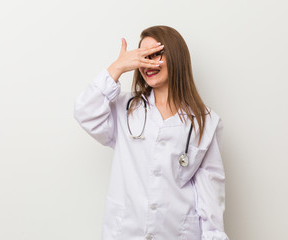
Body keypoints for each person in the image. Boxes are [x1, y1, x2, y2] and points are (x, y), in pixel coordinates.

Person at [74, 25, 229, 240]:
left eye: (156, 54)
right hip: (126, 232)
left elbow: (210, 191)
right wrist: (117, 68)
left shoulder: (205, 122)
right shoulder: (125, 108)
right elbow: (85, 112)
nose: (148, 63)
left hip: (178, 232)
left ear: (176, 57)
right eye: (143, 56)